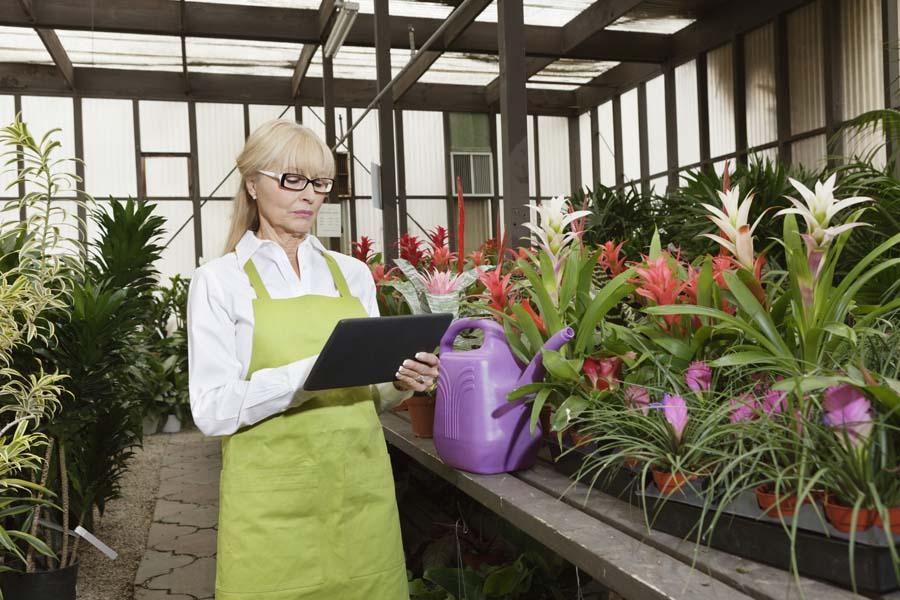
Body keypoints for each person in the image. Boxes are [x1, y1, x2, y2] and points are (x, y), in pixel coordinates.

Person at [187, 119, 438, 599]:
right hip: (272, 511)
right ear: (252, 184)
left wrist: (405, 380)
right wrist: (307, 375)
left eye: (321, 183)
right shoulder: (219, 282)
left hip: (361, 499)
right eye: (292, 179)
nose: (310, 196)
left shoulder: (353, 275)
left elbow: (371, 395)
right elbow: (212, 410)